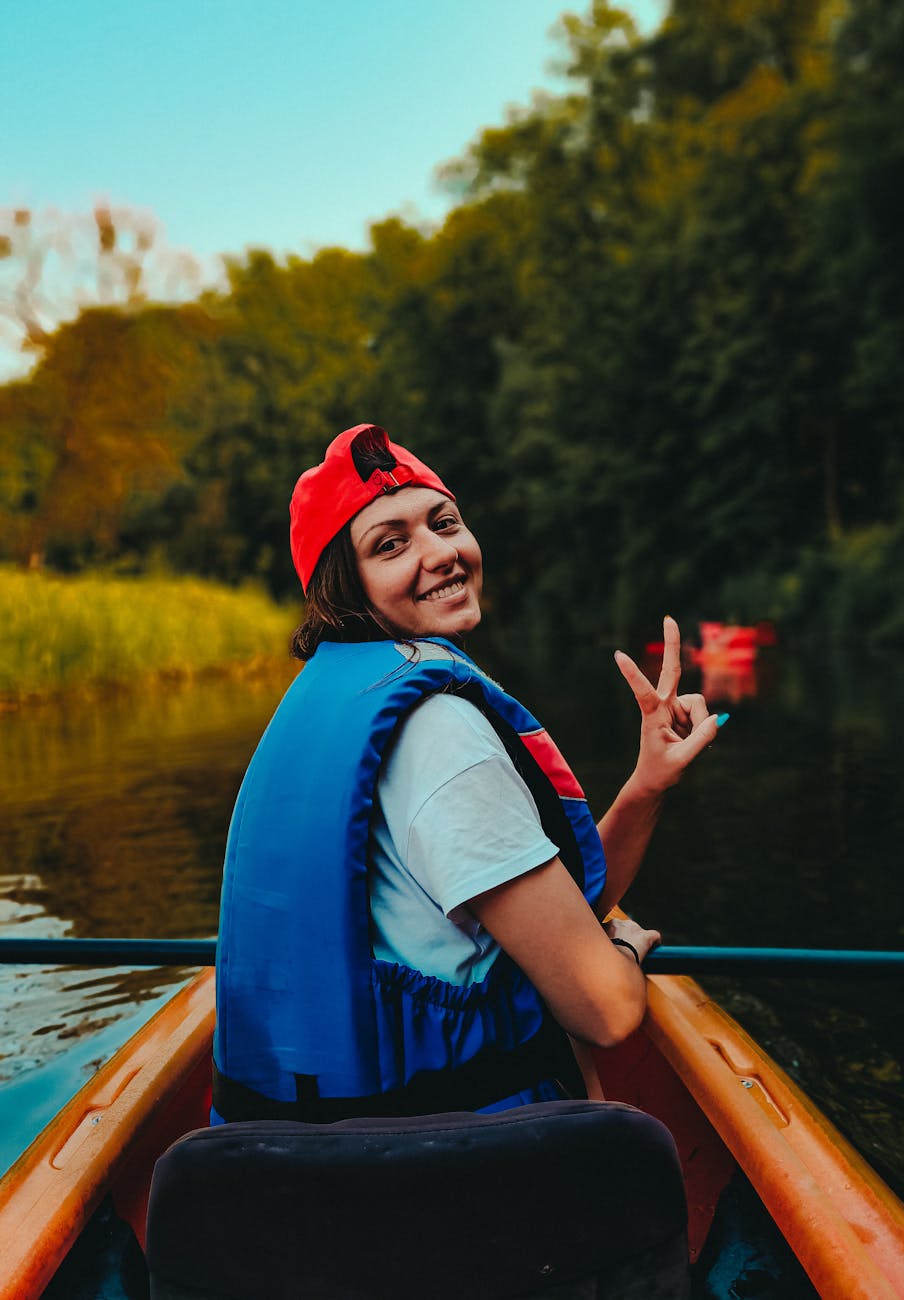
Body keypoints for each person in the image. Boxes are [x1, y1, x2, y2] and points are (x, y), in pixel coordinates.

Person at [211, 423, 723, 1124]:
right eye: (390, 545)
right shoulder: (440, 736)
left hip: (331, 1153)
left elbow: (546, 915)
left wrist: (645, 787)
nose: (440, 553)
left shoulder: (341, 698)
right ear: (343, 586)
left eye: (444, 523)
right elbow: (605, 1010)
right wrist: (623, 951)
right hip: (459, 1172)